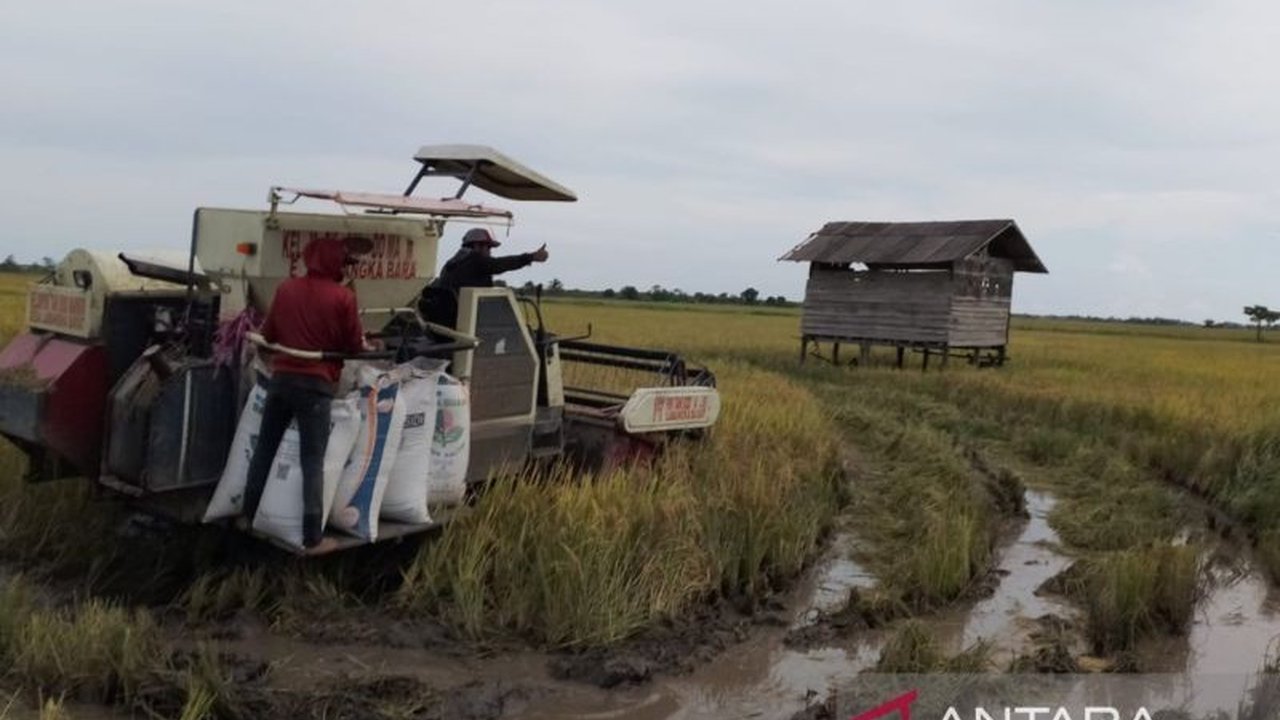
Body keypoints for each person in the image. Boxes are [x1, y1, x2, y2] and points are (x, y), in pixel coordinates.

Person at [241, 236, 372, 554]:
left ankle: (248, 514)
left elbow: (269, 334)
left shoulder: (286, 288)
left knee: (265, 449)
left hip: (281, 380)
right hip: (315, 386)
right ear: (334, 264)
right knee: (313, 460)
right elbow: (354, 346)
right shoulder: (343, 298)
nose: (345, 268)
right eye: (343, 263)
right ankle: (312, 536)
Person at [422, 228, 548, 325]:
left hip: (447, 320)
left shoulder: (452, 263)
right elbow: (499, 264)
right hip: (466, 322)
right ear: (477, 246)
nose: (490, 252)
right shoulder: (474, 260)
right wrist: (531, 257)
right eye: (488, 247)